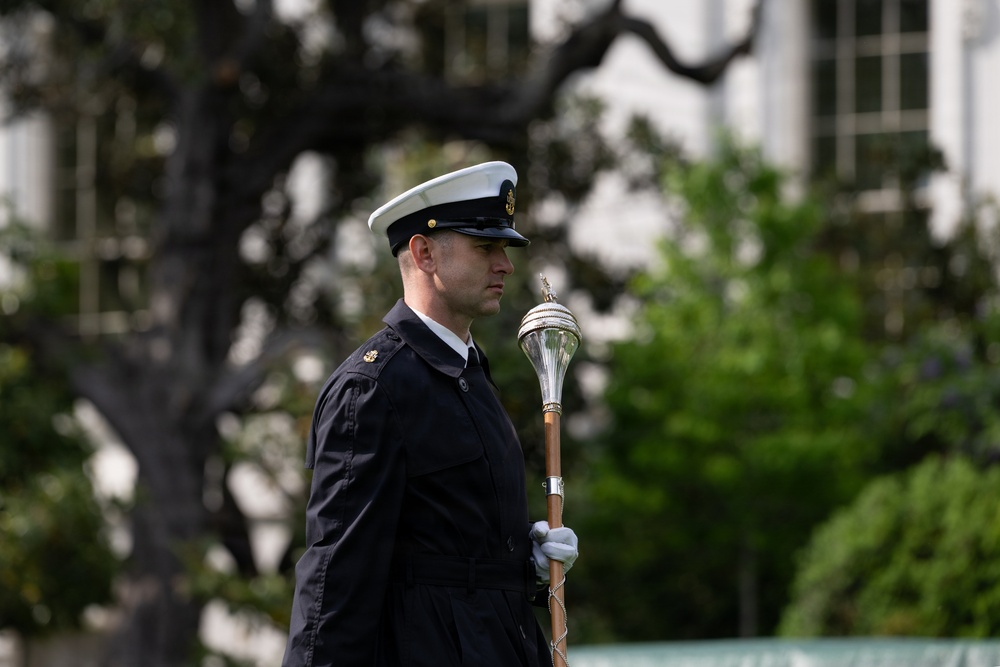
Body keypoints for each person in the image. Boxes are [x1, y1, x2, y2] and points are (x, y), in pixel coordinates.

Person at [282, 161, 580, 667]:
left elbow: (450, 556)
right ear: (423, 253)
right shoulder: (372, 388)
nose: (505, 265)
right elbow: (336, 577)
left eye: (504, 249)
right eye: (485, 247)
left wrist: (524, 566)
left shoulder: (473, 375)